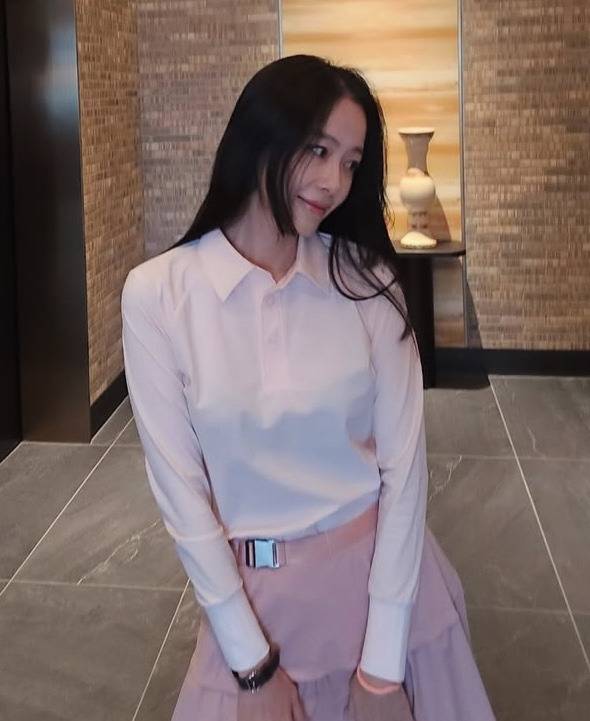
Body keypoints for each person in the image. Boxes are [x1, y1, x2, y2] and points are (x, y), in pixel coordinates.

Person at [121, 54, 496, 721]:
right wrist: (252, 668)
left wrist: (382, 672)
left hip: (388, 596)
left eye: (351, 163)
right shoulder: (159, 295)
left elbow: (405, 473)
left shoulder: (367, 279)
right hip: (256, 610)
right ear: (259, 137)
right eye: (318, 150)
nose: (334, 182)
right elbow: (183, 499)